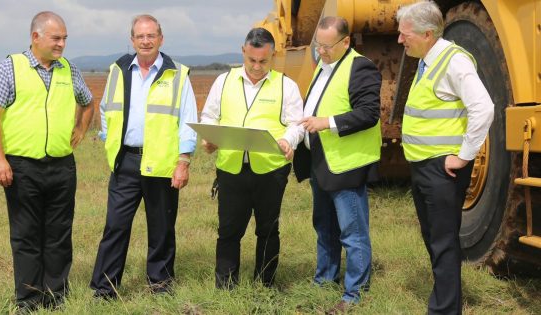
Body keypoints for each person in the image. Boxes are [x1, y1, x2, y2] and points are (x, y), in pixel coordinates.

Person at [0, 11, 93, 311]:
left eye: (65, 39)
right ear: (36, 37)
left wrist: (80, 129)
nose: (61, 45)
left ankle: (56, 297)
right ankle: (29, 299)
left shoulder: (69, 70)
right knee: (26, 235)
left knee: (59, 234)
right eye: (56, 38)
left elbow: (88, 102)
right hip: (22, 168)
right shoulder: (9, 68)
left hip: (61, 167)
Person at [396, 1, 494, 314]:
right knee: (434, 238)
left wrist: (464, 157)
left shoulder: (453, 62)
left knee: (443, 240)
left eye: (404, 34)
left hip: (442, 170)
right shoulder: (427, 60)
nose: (400, 40)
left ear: (427, 33)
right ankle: (445, 300)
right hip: (425, 167)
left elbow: (484, 108)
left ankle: (445, 309)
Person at [90, 14, 197, 298]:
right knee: (115, 226)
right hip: (125, 161)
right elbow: (106, 108)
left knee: (161, 227)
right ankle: (105, 288)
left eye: (151, 36)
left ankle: (160, 285)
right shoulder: (119, 69)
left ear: (161, 39)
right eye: (140, 36)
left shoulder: (177, 74)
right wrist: (108, 139)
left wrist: (183, 162)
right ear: (132, 40)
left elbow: (188, 121)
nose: (146, 41)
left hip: (162, 162)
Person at [201, 27, 303, 289]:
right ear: (243, 51)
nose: (257, 67)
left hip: (271, 171)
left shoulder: (286, 85)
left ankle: (264, 284)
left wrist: (288, 141)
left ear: (273, 56)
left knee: (268, 230)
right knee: (228, 231)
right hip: (230, 169)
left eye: (263, 61)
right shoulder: (223, 81)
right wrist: (209, 138)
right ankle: (225, 286)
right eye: (252, 60)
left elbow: (297, 124)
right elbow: (209, 117)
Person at [293, 16, 382, 312]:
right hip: (323, 163)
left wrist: (325, 123)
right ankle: (324, 281)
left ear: (346, 42)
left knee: (352, 232)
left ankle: (354, 293)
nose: (321, 50)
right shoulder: (323, 65)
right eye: (318, 44)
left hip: (346, 166)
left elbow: (369, 113)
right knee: (324, 227)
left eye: (327, 45)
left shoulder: (361, 67)